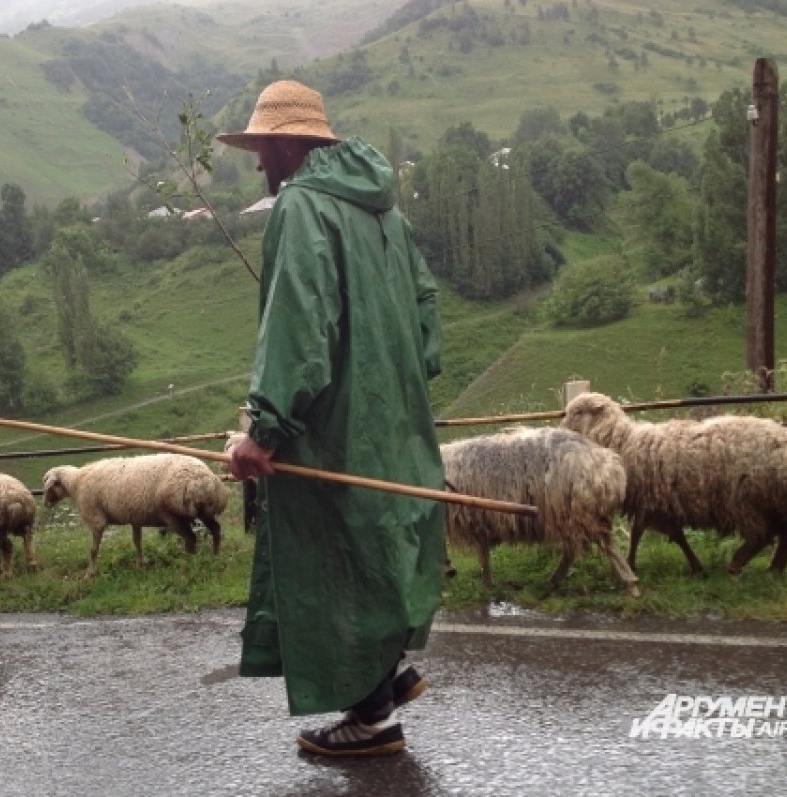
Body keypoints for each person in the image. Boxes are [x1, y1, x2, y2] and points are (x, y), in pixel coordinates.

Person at [219, 80, 447, 757]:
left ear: (289, 145)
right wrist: (394, 383)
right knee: (375, 545)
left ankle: (372, 715)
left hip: (332, 427)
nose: (260, 164)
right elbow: (427, 316)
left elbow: (298, 329)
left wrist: (261, 432)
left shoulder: (301, 207)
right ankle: (385, 673)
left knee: (332, 557)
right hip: (393, 420)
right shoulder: (387, 214)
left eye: (263, 150)